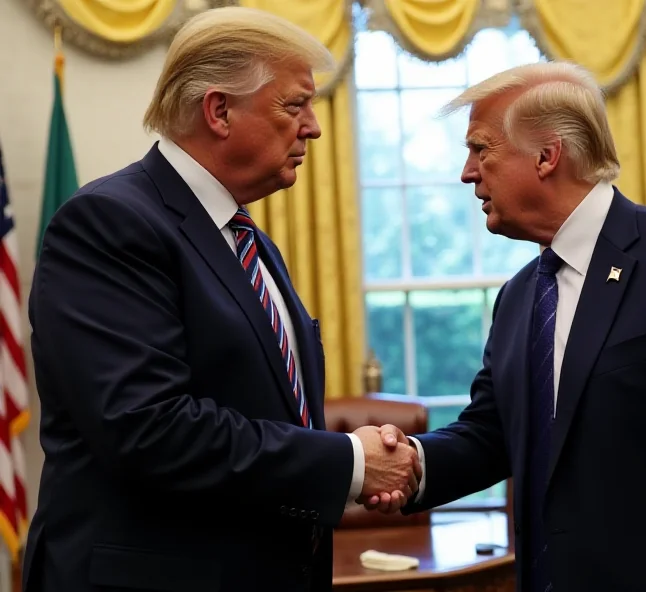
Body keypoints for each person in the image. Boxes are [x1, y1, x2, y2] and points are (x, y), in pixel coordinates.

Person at [23, 7, 418, 592]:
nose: (312, 126)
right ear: (219, 110)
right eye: (294, 105)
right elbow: (149, 427)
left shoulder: (245, 238)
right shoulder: (109, 222)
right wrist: (349, 464)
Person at [366, 62, 646, 591]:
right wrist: (410, 462)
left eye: (481, 150)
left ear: (547, 156)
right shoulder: (521, 295)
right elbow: (491, 435)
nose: (467, 172)